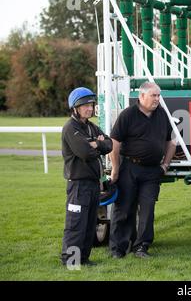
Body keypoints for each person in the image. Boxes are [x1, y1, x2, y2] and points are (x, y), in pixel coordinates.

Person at [109, 82, 177, 258]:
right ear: (141, 97)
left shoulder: (161, 114)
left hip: (152, 171)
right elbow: (114, 143)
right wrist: (115, 168)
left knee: (148, 210)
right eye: (153, 95)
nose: (157, 99)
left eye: (158, 96)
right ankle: (118, 248)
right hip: (129, 168)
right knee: (124, 209)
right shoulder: (128, 115)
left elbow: (171, 141)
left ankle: (141, 247)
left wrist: (165, 165)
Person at [61, 87, 112, 267]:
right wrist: (98, 145)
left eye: (91, 105)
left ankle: (84, 258)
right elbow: (85, 153)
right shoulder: (70, 128)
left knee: (90, 223)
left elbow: (109, 144)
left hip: (93, 184)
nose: (89, 109)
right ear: (75, 107)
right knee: (76, 224)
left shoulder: (91, 126)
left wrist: (95, 143)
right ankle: (71, 261)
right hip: (78, 185)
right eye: (85, 106)